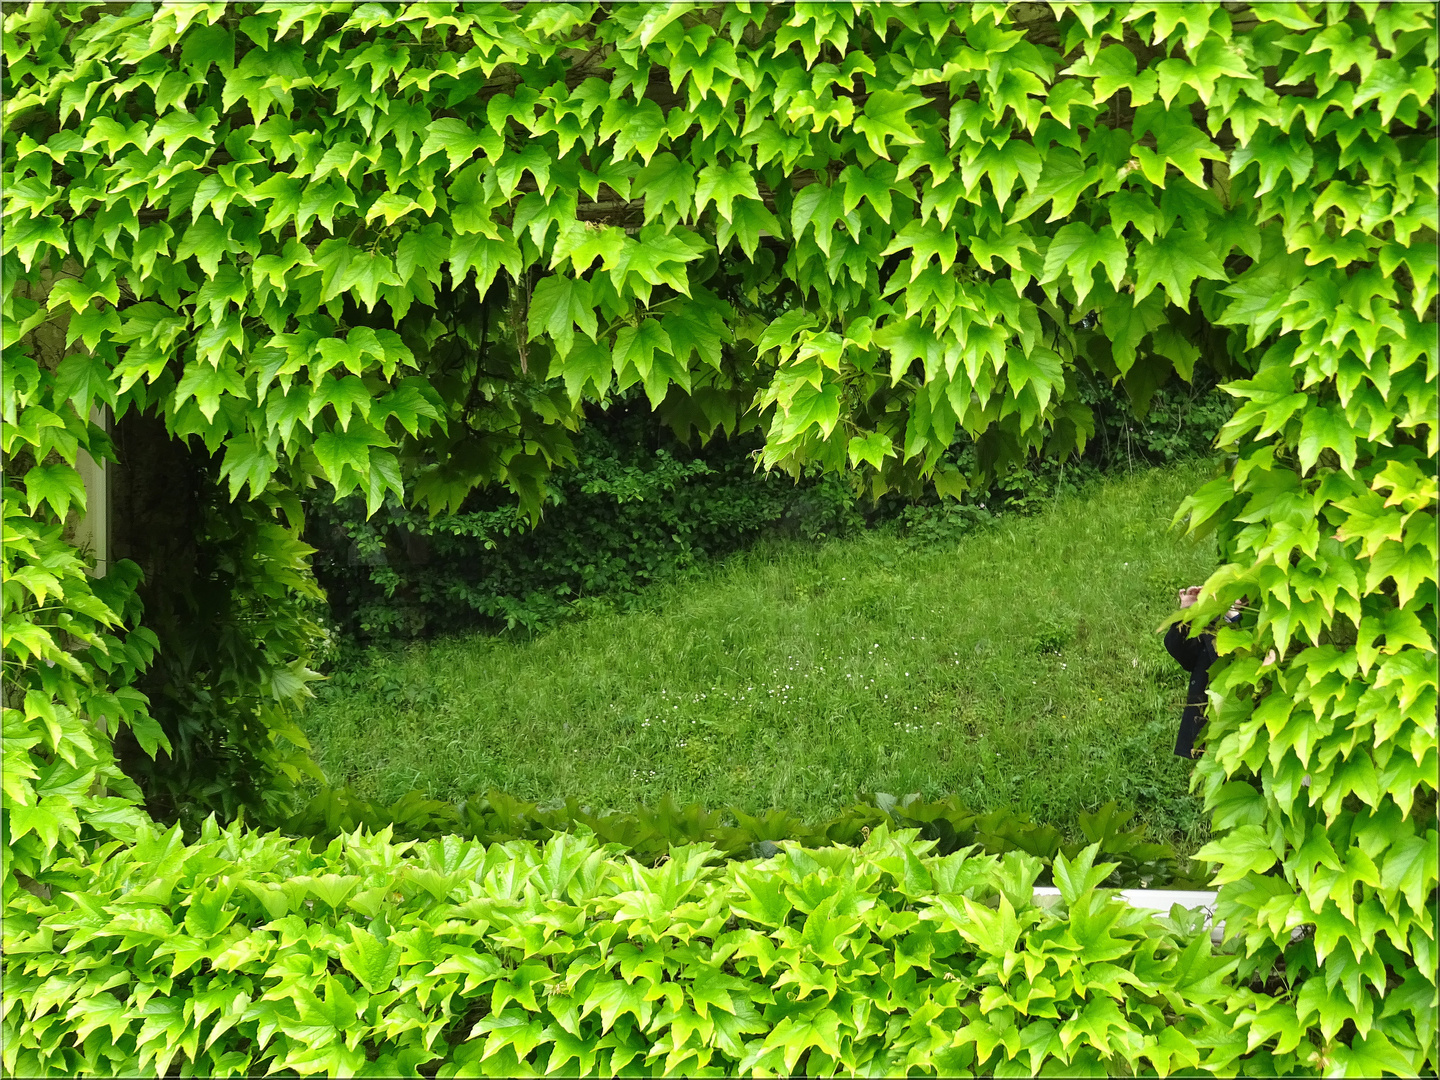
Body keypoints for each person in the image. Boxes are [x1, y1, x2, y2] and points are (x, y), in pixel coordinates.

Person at [1163, 586, 1243, 759]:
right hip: (1214, 728)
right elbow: (1183, 652)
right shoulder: (1220, 622)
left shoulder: (1261, 620)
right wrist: (1188, 615)